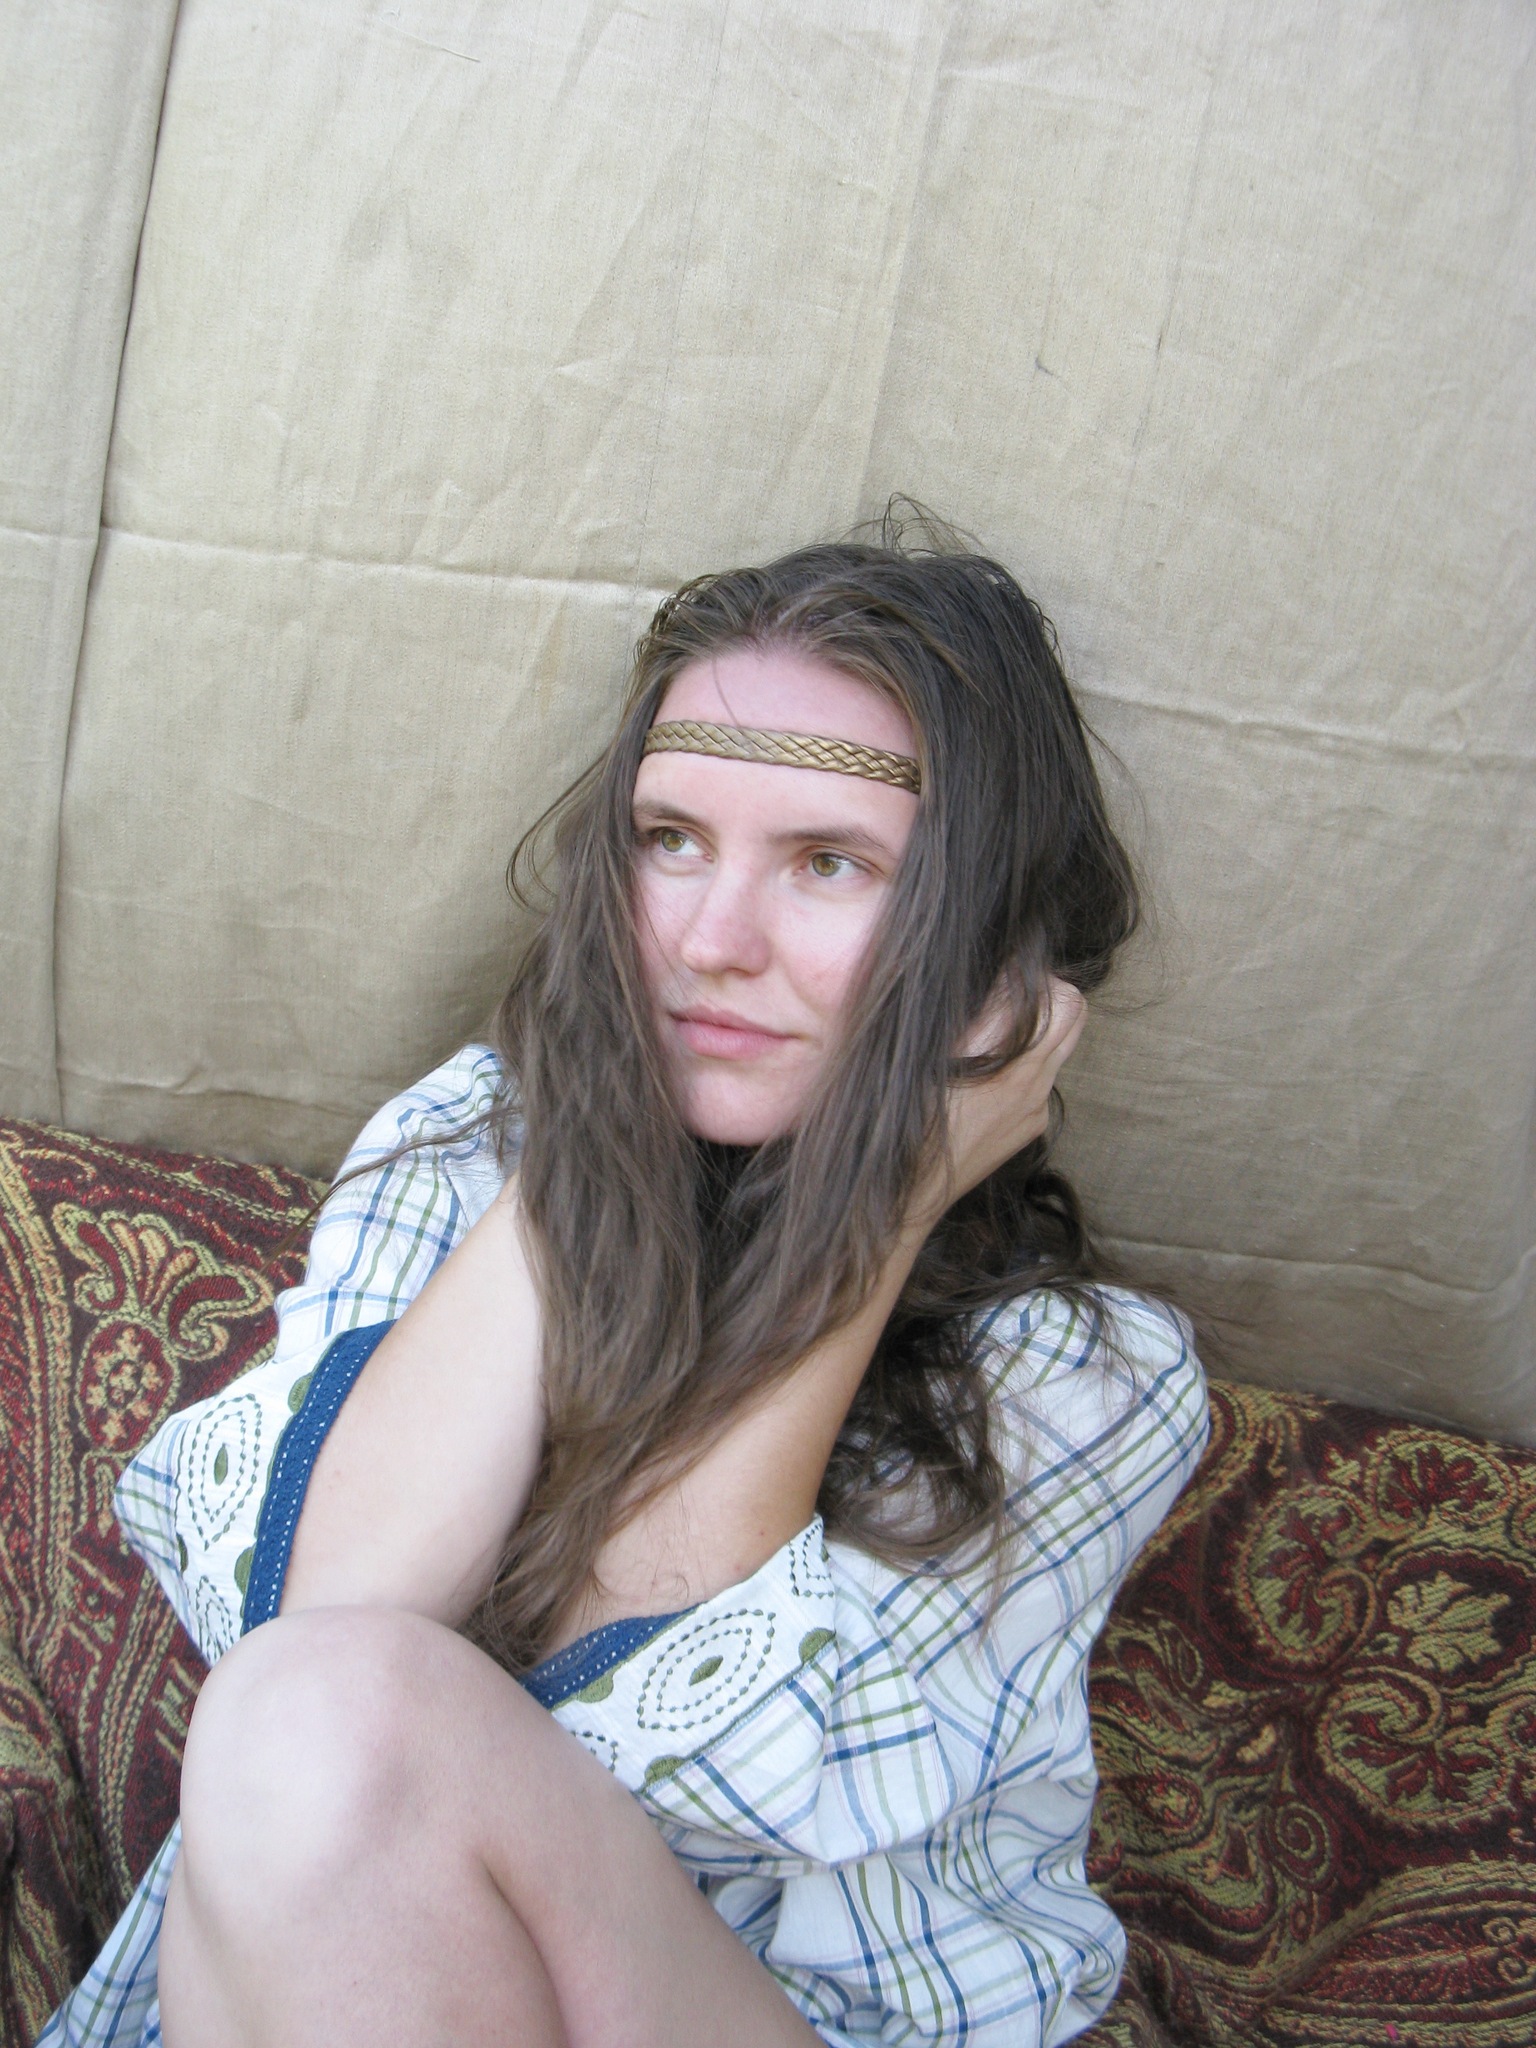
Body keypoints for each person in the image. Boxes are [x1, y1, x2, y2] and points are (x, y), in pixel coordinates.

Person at [40, 522, 1208, 2048]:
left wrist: (890, 1204)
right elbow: (315, 1625)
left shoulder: (1083, 1373)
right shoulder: (470, 1154)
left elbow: (659, 1743)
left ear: (992, 952)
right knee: (313, 1716)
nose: (710, 943)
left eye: (830, 864)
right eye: (669, 841)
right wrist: (598, 1127)